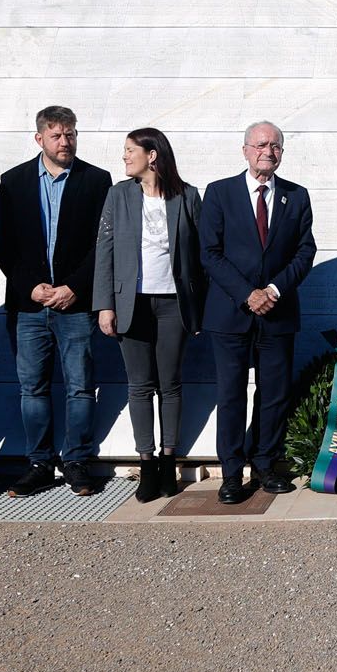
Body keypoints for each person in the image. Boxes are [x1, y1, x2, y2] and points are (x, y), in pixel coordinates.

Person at [0, 105, 113, 497]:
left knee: (80, 386)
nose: (66, 142)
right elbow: (2, 243)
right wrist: (30, 286)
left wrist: (74, 287)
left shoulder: (97, 180)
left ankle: (77, 461)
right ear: (39, 138)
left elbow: (103, 244)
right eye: (57, 135)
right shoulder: (13, 182)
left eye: (71, 134)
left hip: (74, 304)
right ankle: (40, 463)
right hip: (29, 305)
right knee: (33, 388)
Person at [199, 121, 317, 504]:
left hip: (278, 312)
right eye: (261, 144)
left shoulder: (296, 197)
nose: (269, 151)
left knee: (274, 393)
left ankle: (265, 464)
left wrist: (273, 290)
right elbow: (209, 254)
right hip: (230, 313)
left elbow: (305, 251)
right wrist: (247, 294)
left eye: (276, 146)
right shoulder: (219, 193)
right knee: (231, 394)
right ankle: (232, 473)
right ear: (246, 149)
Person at [94, 127, 204, 503]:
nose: (124, 157)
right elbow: (104, 252)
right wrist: (104, 304)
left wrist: (200, 307)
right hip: (132, 303)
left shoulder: (188, 196)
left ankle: (169, 460)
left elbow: (200, 258)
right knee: (139, 386)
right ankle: (147, 465)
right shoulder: (118, 195)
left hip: (174, 303)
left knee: (170, 384)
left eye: (130, 151)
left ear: (152, 155)